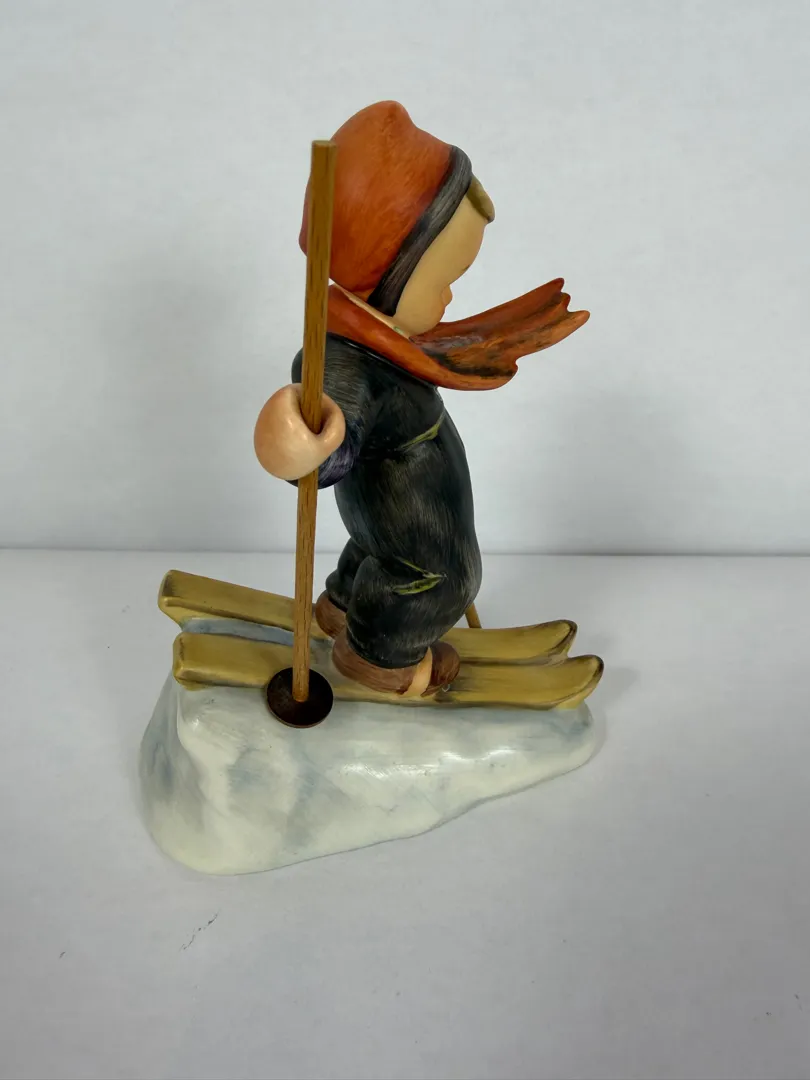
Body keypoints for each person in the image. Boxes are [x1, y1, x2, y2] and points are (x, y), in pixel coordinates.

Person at [254, 101, 588, 698]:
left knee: (376, 552)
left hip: (386, 518)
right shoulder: (341, 358)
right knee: (443, 579)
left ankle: (342, 606)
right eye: (441, 281)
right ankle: (380, 656)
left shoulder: (386, 342)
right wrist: (297, 440)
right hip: (410, 528)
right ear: (385, 270)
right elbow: (327, 432)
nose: (450, 297)